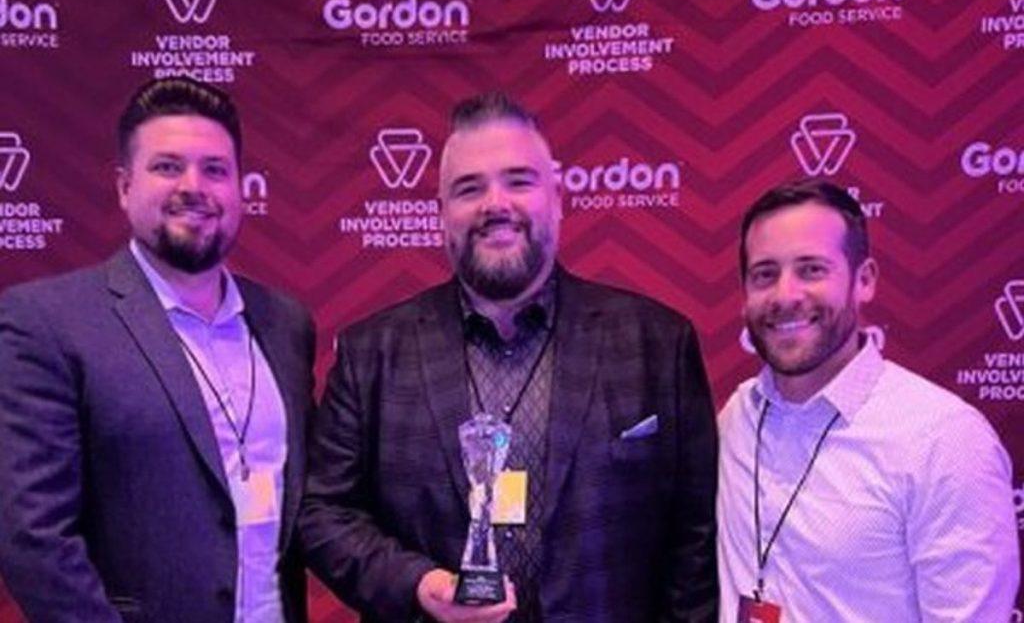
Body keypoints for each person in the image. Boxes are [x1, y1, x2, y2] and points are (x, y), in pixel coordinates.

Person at [299, 92, 719, 623]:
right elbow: (324, 513)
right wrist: (418, 585)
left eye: (519, 181)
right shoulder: (372, 354)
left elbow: (693, 541)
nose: (495, 204)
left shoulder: (656, 343)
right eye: (469, 188)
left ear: (557, 198)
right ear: (441, 214)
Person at [0, 77, 314, 622]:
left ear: (240, 188)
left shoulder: (285, 323)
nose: (194, 187)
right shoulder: (47, 322)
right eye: (167, 167)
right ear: (124, 187)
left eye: (215, 170)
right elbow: (34, 538)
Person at [717, 179, 1019, 622]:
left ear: (864, 280)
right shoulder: (737, 418)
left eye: (811, 270)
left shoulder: (944, 440)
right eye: (765, 274)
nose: (785, 295)